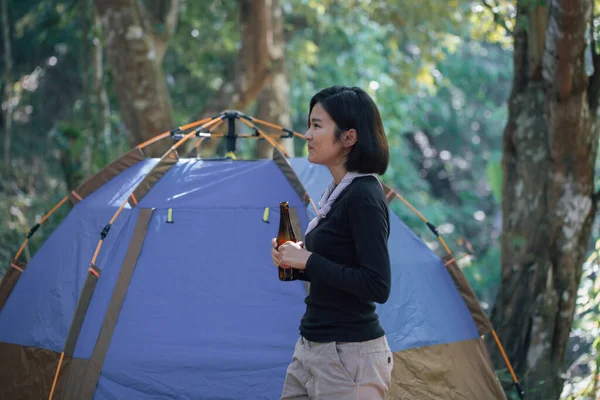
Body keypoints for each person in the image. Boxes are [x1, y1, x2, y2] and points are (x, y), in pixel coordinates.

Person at [271, 85, 393, 400]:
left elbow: (376, 285)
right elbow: (338, 270)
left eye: (316, 125)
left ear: (349, 137)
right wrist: (296, 262)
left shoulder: (364, 195)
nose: (307, 135)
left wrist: (308, 261)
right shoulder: (338, 191)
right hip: (311, 347)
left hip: (349, 356)